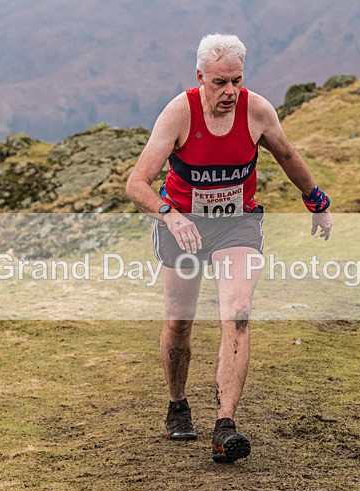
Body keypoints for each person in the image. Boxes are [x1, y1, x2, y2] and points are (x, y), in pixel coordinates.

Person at [126, 33, 333, 464]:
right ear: (200, 76)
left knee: (237, 316)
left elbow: (288, 155)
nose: (229, 92)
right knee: (179, 321)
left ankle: (225, 426)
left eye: (236, 80)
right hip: (181, 224)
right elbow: (136, 183)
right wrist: (170, 214)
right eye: (219, 82)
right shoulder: (179, 113)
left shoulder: (256, 110)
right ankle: (177, 405)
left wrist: (316, 201)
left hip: (237, 224)